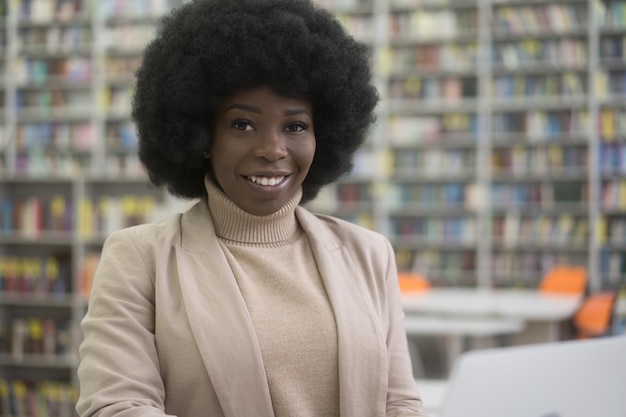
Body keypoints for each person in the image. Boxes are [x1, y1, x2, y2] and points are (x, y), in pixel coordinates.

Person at [76, 0, 427, 416]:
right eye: (242, 124)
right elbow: (117, 406)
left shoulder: (369, 254)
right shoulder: (140, 260)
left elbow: (400, 402)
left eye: (295, 126)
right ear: (202, 135)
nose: (272, 150)